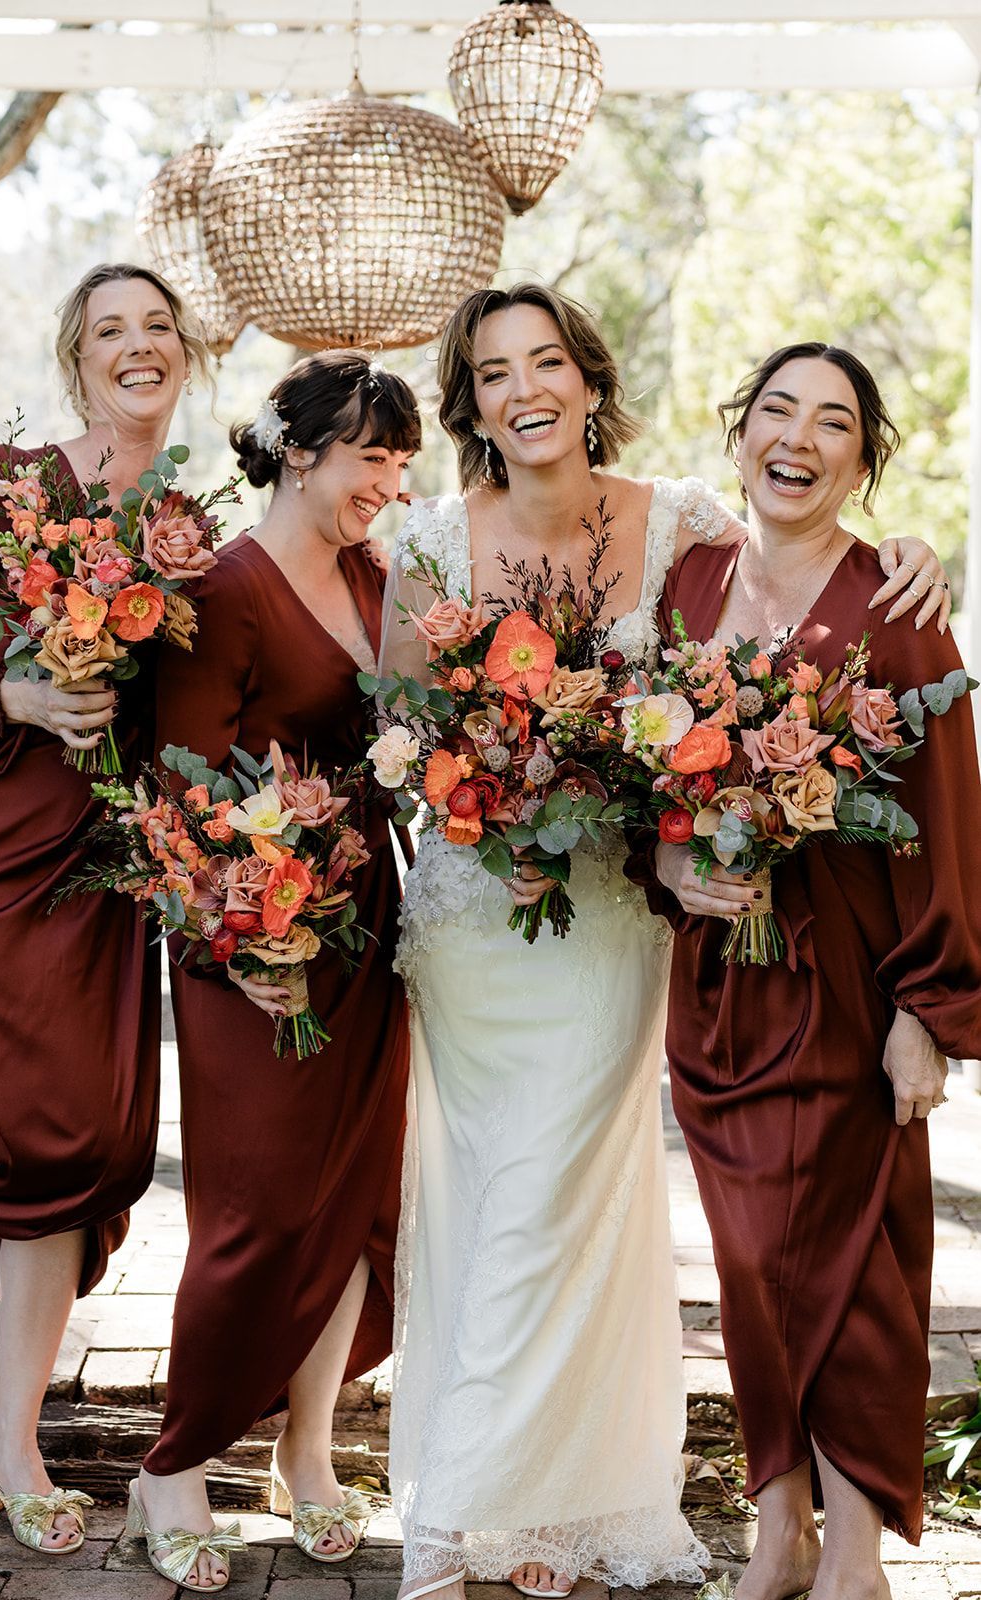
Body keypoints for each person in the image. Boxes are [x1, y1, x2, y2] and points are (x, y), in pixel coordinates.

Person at [380, 285, 952, 1600]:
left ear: (589, 380)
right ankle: (518, 1512)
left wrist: (909, 545)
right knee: (495, 1204)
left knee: (568, 1205)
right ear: (469, 399)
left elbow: (800, 566)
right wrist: (493, 779)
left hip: (628, 932)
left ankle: (510, 1499)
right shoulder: (431, 543)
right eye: (491, 370)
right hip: (484, 920)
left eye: (546, 361)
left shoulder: (679, 531)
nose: (522, 386)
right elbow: (403, 738)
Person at [641, 342, 981, 1600]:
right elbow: (638, 784)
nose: (796, 437)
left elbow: (946, 817)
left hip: (849, 984)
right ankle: (774, 1528)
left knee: (850, 1266)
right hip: (720, 989)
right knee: (747, 1265)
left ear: (860, 458)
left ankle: (852, 1554)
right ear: (740, 432)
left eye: (831, 422)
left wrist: (929, 1013)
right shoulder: (685, 583)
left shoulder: (896, 602)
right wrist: (672, 872)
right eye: (775, 410)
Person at [0, 262, 209, 1554]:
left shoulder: (186, 525)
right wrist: (18, 699)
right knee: (60, 1133)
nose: (136, 348)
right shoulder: (5, 484)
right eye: (109, 331)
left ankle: (6, 1437)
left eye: (156, 328)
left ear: (183, 353)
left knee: (94, 1159)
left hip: (102, 877)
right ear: (73, 357)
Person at [128, 350, 419, 1593]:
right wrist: (237, 944)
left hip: (365, 934)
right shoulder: (228, 591)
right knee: (251, 1212)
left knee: (355, 1201)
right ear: (299, 450)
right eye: (372, 457)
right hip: (248, 942)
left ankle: (307, 1449)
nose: (389, 484)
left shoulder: (373, 572)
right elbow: (175, 793)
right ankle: (174, 1466)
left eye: (404, 463)